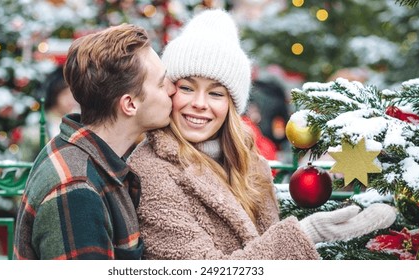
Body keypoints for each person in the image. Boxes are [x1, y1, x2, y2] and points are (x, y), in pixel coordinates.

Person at [127, 9, 396, 260]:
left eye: (216, 93)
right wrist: (307, 234)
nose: (199, 102)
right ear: (170, 90)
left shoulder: (250, 162)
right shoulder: (151, 170)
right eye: (187, 88)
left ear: (232, 106)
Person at [14, 23, 176, 260]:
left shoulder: (88, 158)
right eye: (162, 84)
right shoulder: (77, 191)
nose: (173, 89)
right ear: (130, 104)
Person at [19, 67, 80, 161]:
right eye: (65, 94)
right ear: (55, 94)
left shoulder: (79, 120)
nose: (71, 99)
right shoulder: (37, 128)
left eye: (73, 94)